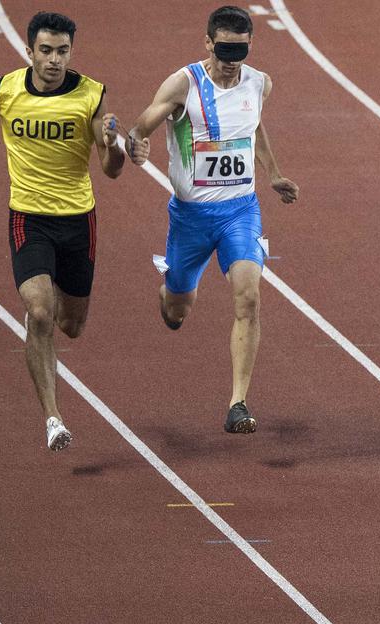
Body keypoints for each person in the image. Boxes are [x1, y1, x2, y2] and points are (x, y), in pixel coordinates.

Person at [127, 5, 297, 434]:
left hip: (241, 210)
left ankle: (238, 401)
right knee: (177, 309)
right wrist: (136, 145)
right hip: (191, 218)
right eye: (222, 48)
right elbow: (141, 126)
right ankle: (172, 291)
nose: (229, 59)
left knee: (249, 296)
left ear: (249, 46)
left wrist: (273, 173)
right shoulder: (184, 84)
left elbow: (255, 129)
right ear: (207, 42)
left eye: (237, 51)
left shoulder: (260, 83)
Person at [0, 12, 124, 451]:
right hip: (28, 218)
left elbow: (109, 170)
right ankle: (53, 418)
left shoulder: (90, 95)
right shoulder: (4, 88)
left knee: (71, 325)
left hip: (77, 221)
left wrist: (114, 145)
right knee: (40, 311)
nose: (54, 60)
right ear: (29, 50)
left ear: (72, 52)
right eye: (46, 51)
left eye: (63, 51)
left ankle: (44, 322)